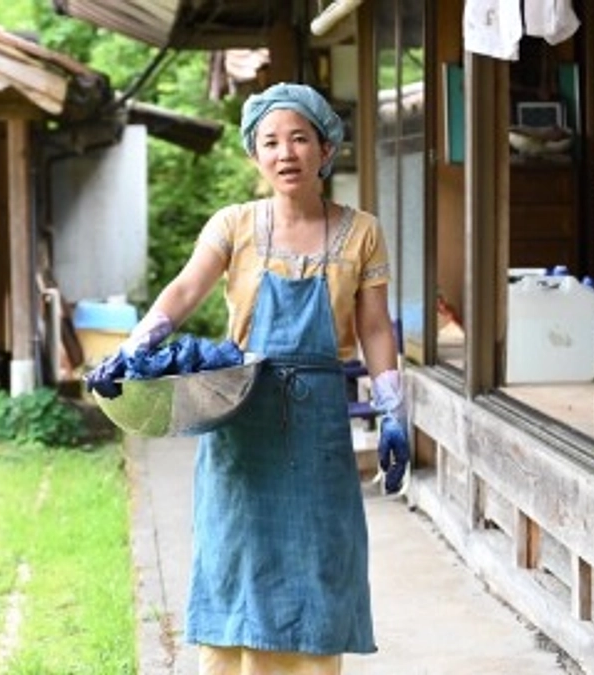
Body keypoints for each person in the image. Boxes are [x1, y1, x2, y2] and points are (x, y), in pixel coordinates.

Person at [87, 82, 410, 674]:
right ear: (255, 155)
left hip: (318, 426)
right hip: (240, 414)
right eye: (270, 142)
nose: (286, 152)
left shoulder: (361, 231)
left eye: (298, 139)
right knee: (237, 557)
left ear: (325, 148)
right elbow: (185, 290)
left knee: (319, 560)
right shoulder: (235, 224)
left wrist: (394, 410)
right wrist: (132, 350)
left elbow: (376, 328)